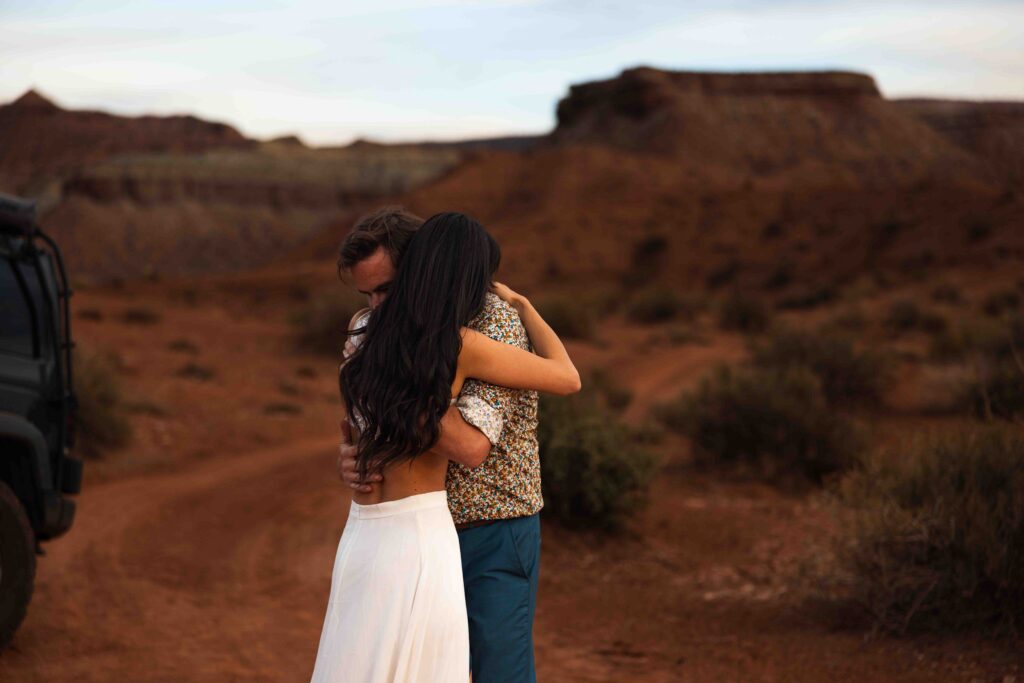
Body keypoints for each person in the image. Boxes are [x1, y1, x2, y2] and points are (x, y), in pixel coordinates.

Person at [310, 211, 579, 682]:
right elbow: (358, 429)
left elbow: (472, 445)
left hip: (491, 524)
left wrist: (395, 391)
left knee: (497, 671)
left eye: (386, 290)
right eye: (365, 294)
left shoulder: (489, 324)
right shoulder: (370, 329)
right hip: (411, 526)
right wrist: (355, 455)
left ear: (421, 268)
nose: (375, 305)